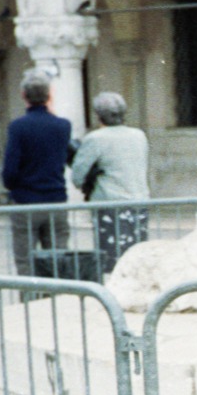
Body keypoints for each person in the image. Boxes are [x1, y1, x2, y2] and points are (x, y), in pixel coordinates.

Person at [70, 92, 151, 277]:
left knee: (111, 262)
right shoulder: (139, 135)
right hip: (139, 202)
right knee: (136, 258)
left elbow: (77, 175)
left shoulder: (96, 138)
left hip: (110, 204)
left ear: (98, 115)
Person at [1, 70, 73, 275]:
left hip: (26, 201)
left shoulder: (18, 127)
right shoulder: (62, 126)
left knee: (26, 261)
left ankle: (30, 303)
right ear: (49, 95)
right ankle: (57, 302)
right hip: (55, 199)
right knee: (58, 258)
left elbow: (10, 168)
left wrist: (12, 186)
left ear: (23, 95)